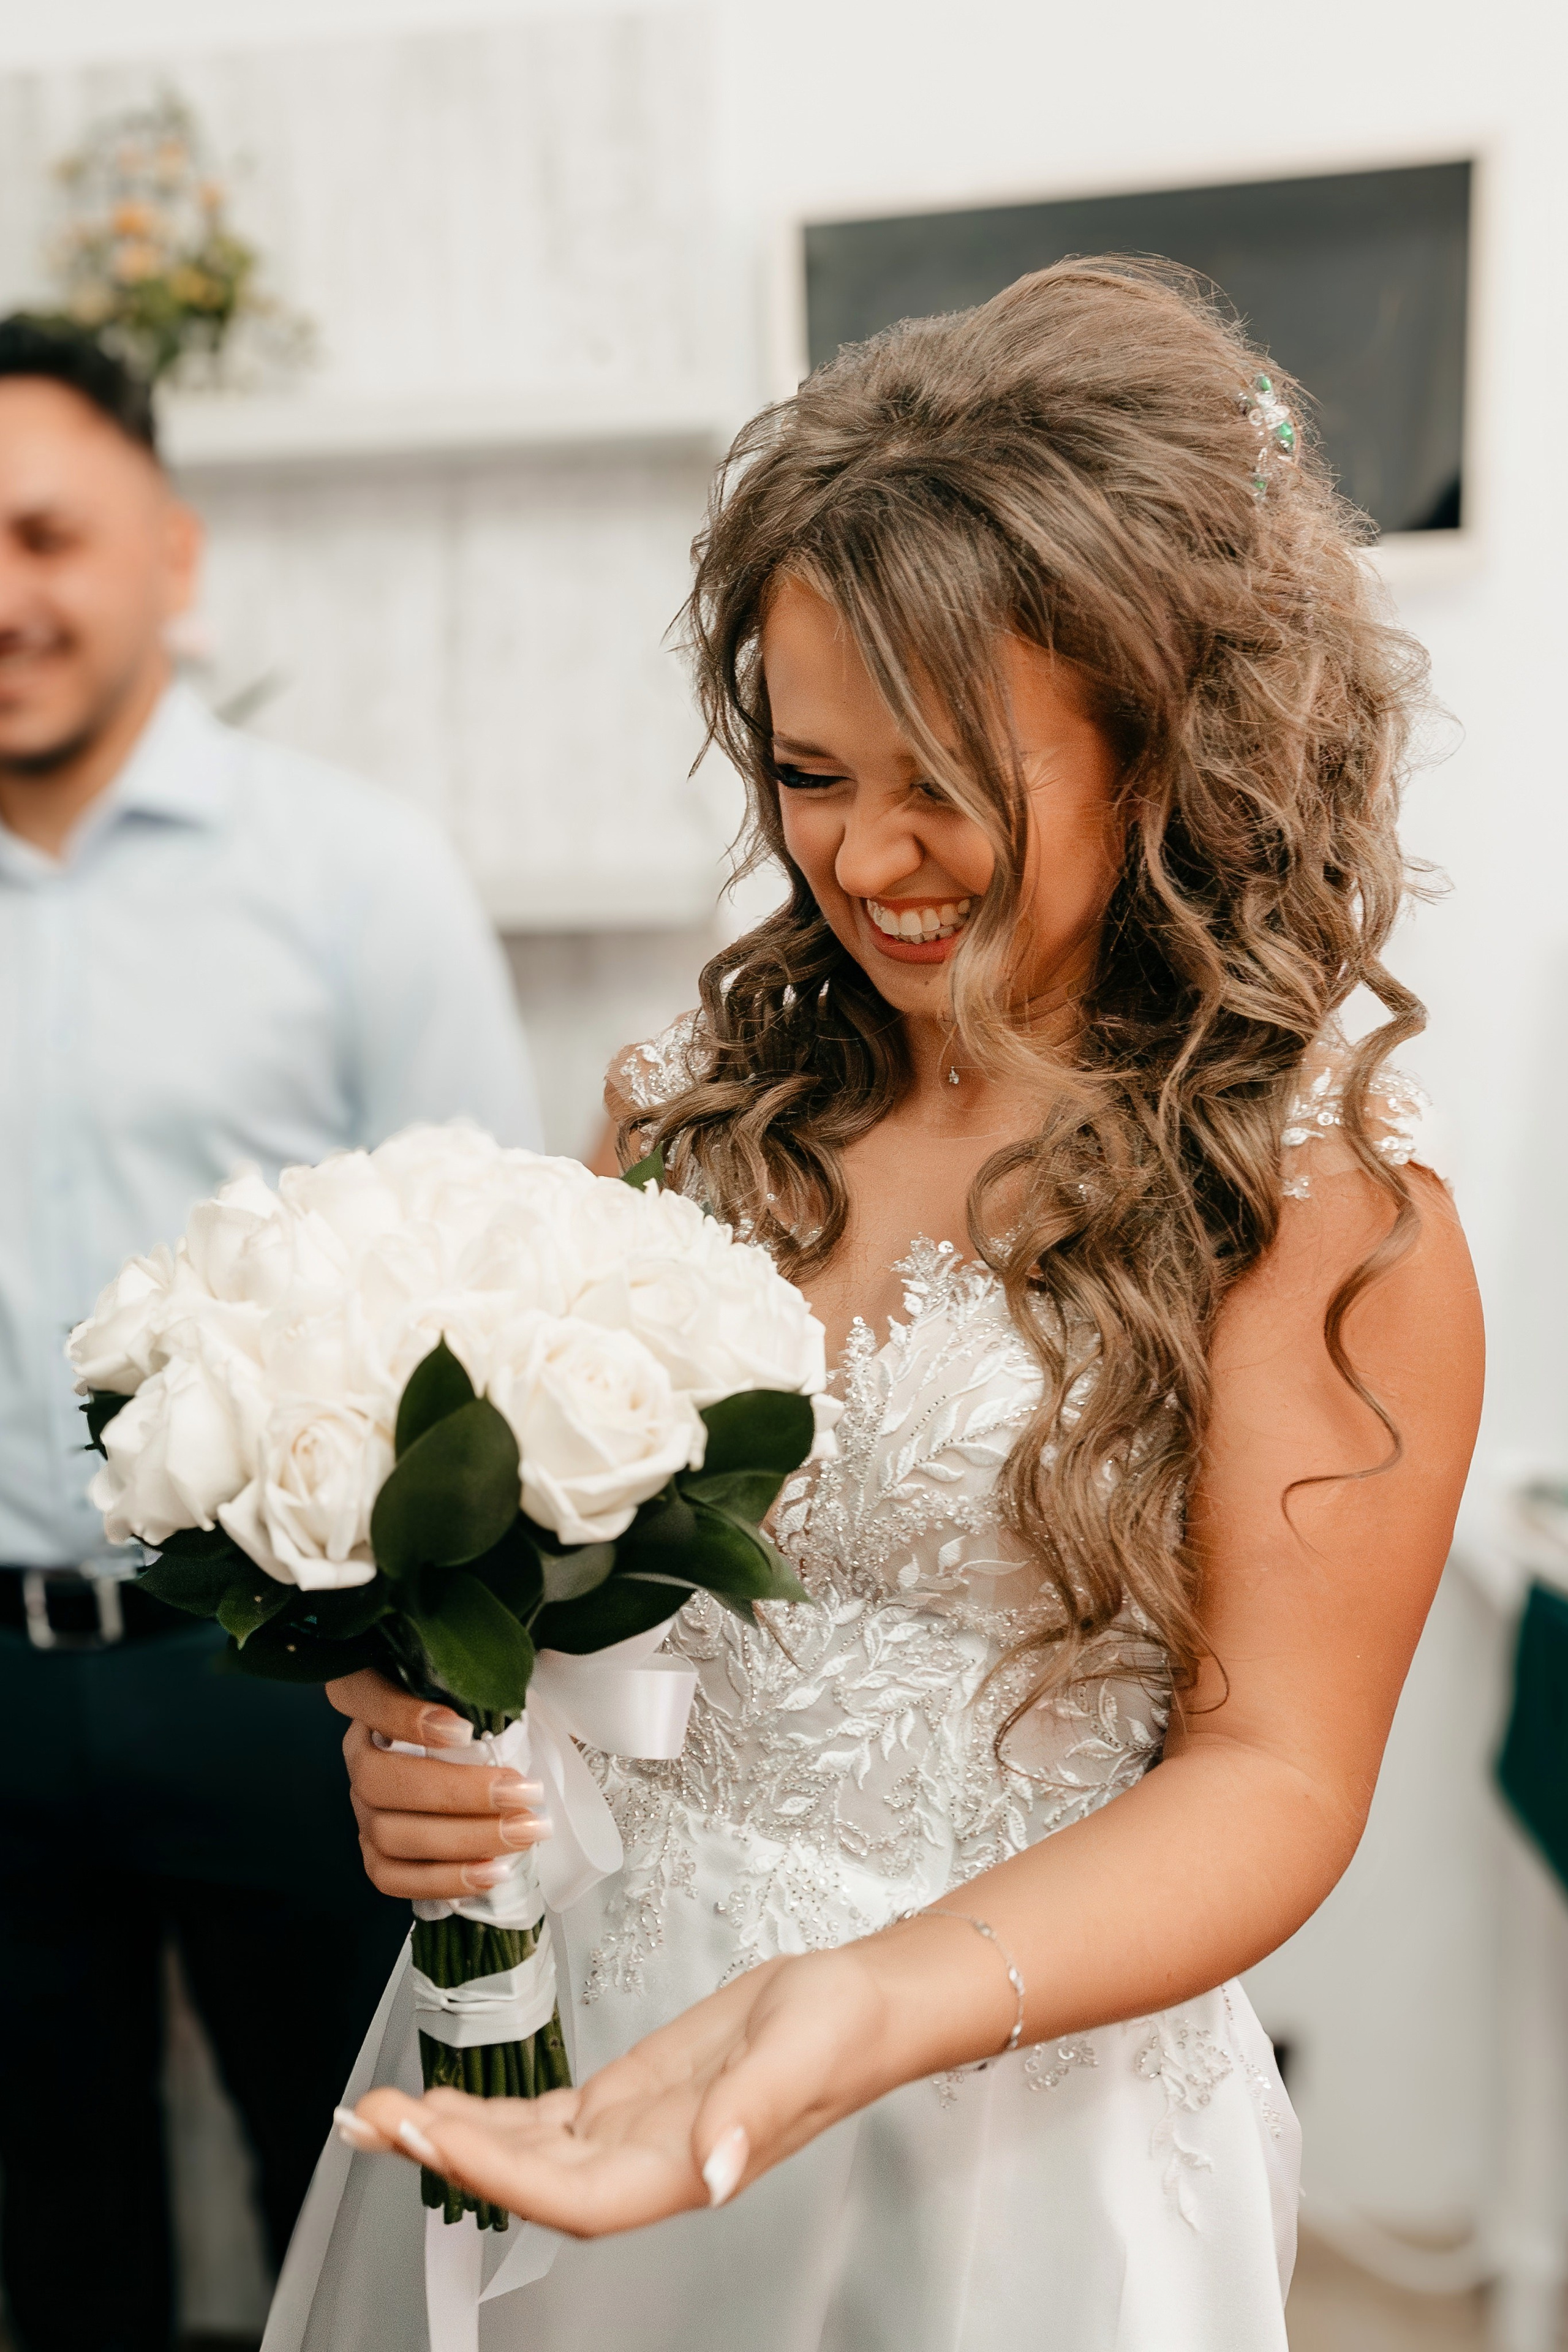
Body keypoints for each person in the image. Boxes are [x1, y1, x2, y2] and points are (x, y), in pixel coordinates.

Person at [268, 263, 1480, 2350]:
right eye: (813, 773)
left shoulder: (1315, 1209)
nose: (872, 857)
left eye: (951, 778)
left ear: (1162, 740)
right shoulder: (686, 1113)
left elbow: (1276, 1777)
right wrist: (419, 1727)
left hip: (1000, 2119)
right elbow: (545, 1598)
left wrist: (858, 2013)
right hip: (580, 2034)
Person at [0, 316, 541, 2352]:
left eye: (45, 533)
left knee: (362, 2197)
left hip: (280, 1686)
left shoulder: (353, 881)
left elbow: (482, 1303)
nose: (5, 597)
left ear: (172, 554)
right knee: (49, 2231)